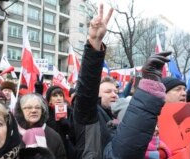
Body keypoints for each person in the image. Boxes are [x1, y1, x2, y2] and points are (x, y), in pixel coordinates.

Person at [72, 3, 171, 158]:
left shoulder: (120, 114)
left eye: (115, 90)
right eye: (107, 91)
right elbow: (86, 90)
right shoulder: (89, 117)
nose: (114, 94)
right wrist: (94, 43)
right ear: (96, 95)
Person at [14, 93, 67, 159]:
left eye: (38, 107)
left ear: (42, 111)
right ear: (20, 111)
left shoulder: (53, 136)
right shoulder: (12, 134)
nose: (34, 110)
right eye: (29, 107)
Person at [45, 86, 75, 159]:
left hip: (66, 151)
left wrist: (68, 126)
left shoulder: (70, 112)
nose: (58, 98)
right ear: (49, 100)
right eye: (55, 96)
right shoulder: (45, 114)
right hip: (50, 151)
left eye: (61, 95)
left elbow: (75, 135)